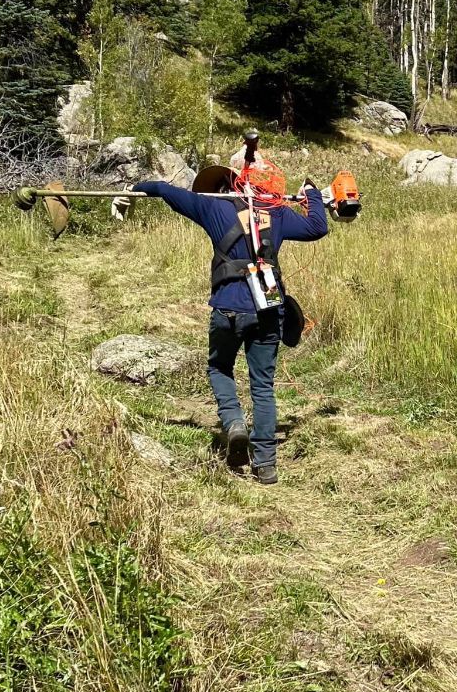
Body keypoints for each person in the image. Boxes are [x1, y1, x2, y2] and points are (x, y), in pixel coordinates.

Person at [132, 160, 328, 484]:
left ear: (223, 187)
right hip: (267, 309)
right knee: (262, 386)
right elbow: (317, 227)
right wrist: (312, 194)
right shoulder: (274, 211)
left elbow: (164, 190)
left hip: (226, 308)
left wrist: (134, 189)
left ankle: (235, 422)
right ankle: (265, 464)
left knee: (219, 367)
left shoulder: (210, 208)